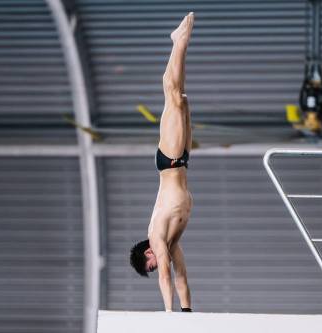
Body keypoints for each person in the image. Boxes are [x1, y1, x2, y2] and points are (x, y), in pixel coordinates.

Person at [129, 12, 195, 313]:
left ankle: (179, 41)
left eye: (150, 265)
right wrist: (186, 313)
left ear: (147, 252)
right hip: (181, 161)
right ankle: (178, 41)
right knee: (179, 97)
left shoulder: (157, 237)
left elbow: (166, 277)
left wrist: (167, 317)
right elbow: (181, 275)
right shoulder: (171, 245)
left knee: (173, 94)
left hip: (169, 162)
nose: (157, 265)